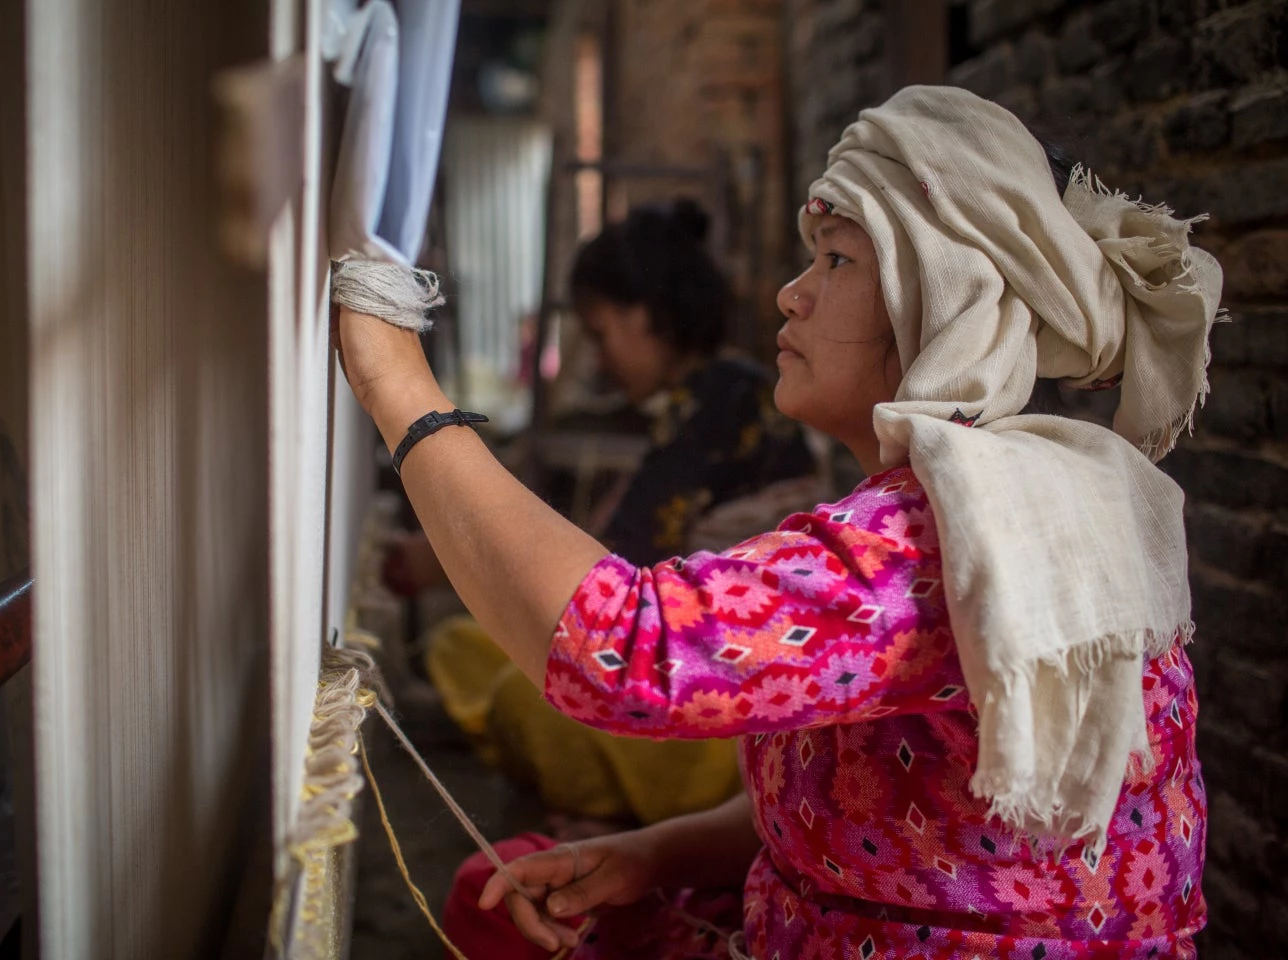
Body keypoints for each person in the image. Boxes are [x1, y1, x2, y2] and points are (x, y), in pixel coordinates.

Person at [337, 86, 1214, 959]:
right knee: (504, 892)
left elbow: (624, 649)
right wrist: (652, 855)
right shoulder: (1014, 493)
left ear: (945, 300)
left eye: (836, 260)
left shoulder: (944, 535)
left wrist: (396, 381)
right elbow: (859, 806)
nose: (792, 295)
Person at [395, 199, 817, 830]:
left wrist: (453, 550)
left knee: (523, 694)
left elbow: (616, 578)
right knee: (465, 648)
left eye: (599, 334)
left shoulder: (719, 404)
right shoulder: (711, 397)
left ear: (643, 315)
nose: (597, 359)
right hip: (692, 663)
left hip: (729, 706)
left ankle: (603, 805)